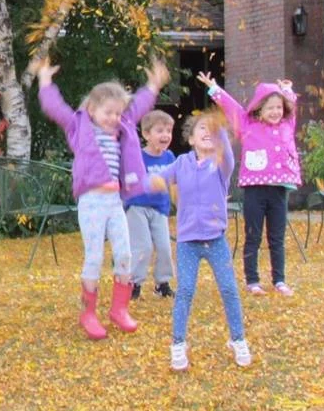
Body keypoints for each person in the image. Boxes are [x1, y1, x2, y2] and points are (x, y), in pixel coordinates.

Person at [36, 57, 169, 340]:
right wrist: (45, 82)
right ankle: (89, 313)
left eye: (118, 113)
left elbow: (139, 107)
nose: (114, 118)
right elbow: (55, 109)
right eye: (108, 112)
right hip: (92, 202)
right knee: (94, 256)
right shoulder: (78, 125)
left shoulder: (123, 129)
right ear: (93, 109)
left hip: (114, 202)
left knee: (125, 254)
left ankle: (119, 309)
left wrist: (153, 86)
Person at [148, 111, 251, 371]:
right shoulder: (181, 163)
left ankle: (238, 340)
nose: (208, 132)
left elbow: (227, 149)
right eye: (202, 129)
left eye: (213, 130)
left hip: (216, 241)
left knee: (229, 289)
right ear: (191, 139)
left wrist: (221, 126)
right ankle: (178, 345)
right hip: (187, 243)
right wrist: (147, 182)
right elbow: (160, 179)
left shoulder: (221, 164)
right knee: (185, 291)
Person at [197, 72, 301, 296]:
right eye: (270, 108)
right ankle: (252, 280)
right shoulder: (247, 124)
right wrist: (214, 88)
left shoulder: (287, 124)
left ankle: (279, 279)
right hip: (254, 190)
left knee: (277, 236)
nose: (275, 112)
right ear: (259, 108)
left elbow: (292, 108)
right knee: (253, 234)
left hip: (279, 189)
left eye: (279, 108)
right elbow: (231, 106)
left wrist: (287, 92)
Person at [125, 109, 176, 300]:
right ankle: (134, 284)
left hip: (160, 209)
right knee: (143, 247)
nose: (165, 135)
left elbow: (176, 181)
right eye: (160, 130)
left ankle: (162, 284)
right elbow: (129, 179)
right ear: (146, 134)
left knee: (164, 246)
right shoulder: (137, 156)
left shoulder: (170, 157)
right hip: (137, 207)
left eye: (168, 131)